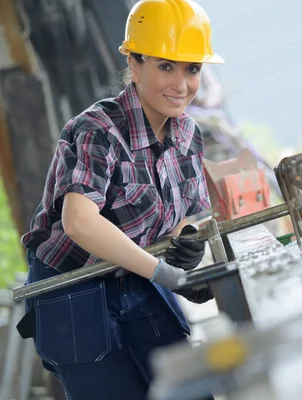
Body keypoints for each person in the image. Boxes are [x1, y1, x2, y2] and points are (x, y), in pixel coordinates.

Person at [18, 0, 224, 398]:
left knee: (190, 388)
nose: (180, 84)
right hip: (73, 288)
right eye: (165, 66)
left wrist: (188, 244)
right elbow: (80, 222)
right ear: (134, 63)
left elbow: (189, 212)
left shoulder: (188, 135)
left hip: (138, 276)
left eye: (192, 68)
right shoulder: (98, 129)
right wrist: (168, 275)